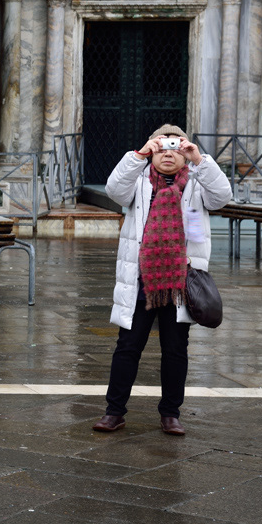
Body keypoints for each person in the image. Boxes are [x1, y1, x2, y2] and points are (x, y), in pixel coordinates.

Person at [92, 124, 232, 436]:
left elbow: (223, 196)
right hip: (142, 280)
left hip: (180, 282)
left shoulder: (196, 184)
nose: (168, 154)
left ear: (185, 155)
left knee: (175, 349)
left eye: (176, 148)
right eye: (162, 147)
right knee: (127, 347)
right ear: (154, 152)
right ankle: (114, 411)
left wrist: (201, 159)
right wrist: (139, 154)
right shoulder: (138, 181)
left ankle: (170, 413)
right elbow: (114, 189)